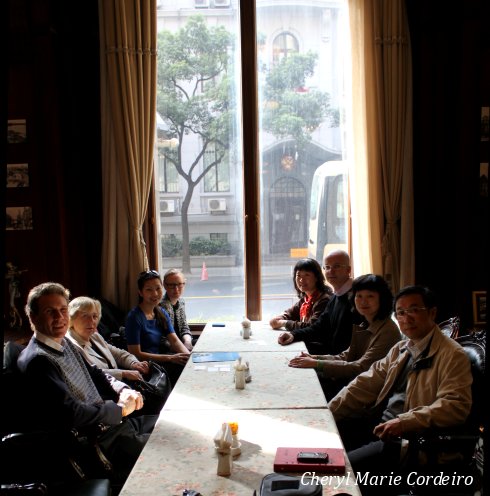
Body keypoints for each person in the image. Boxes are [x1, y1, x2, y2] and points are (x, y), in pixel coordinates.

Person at [329, 285, 472, 494]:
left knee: (339, 472)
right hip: (378, 423)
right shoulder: (401, 348)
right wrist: (330, 411)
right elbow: (365, 383)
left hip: (408, 441)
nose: (406, 318)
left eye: (414, 310)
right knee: (324, 445)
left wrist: (405, 421)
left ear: (432, 312)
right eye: (401, 312)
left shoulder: (452, 355)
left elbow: (455, 405)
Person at [17, 282, 157, 485]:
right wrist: (118, 410)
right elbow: (72, 413)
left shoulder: (63, 342)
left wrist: (123, 389)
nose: (59, 317)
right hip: (96, 443)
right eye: (50, 311)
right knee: (167, 447)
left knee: (168, 428)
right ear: (33, 317)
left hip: (113, 426)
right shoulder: (39, 360)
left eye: (63, 310)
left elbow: (96, 373)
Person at [288, 274, 402, 400]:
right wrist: (314, 357)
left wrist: (316, 363)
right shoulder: (366, 323)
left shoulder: (387, 331)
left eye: (370, 296)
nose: (363, 301)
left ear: (382, 299)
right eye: (359, 296)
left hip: (367, 395)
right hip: (353, 384)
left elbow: (361, 367)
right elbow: (347, 355)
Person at [278, 249, 356, 355]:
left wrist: (317, 361)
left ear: (348, 270)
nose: (331, 271)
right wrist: (293, 335)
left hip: (341, 361)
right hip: (331, 356)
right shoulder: (337, 296)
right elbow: (318, 327)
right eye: (327, 267)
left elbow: (346, 347)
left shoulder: (356, 297)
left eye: (336, 266)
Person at [125, 270, 190, 385]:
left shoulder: (161, 312)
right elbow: (135, 353)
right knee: (182, 372)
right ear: (140, 293)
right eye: (149, 290)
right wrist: (170, 358)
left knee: (188, 367)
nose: (155, 294)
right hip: (147, 366)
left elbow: (174, 340)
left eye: (158, 288)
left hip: (163, 359)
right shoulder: (134, 317)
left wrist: (188, 357)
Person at [67, 296, 150, 382]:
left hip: (118, 385)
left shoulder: (95, 336)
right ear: (71, 319)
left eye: (94, 316)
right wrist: (123, 373)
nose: (92, 321)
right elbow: (89, 373)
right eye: (85, 316)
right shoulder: (71, 345)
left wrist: (134, 363)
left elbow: (118, 354)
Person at [269, 258, 332, 331]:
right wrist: (279, 318)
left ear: (316, 278)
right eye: (298, 275)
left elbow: (311, 327)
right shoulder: (306, 299)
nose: (301, 280)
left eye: (307, 275)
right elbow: (290, 313)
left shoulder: (324, 300)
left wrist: (283, 323)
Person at [161, 268, 193, 351]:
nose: (176, 289)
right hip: (168, 349)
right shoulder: (160, 306)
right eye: (172, 285)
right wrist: (179, 349)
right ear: (164, 285)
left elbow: (184, 327)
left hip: (182, 344)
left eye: (179, 284)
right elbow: (161, 338)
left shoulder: (181, 302)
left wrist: (187, 342)